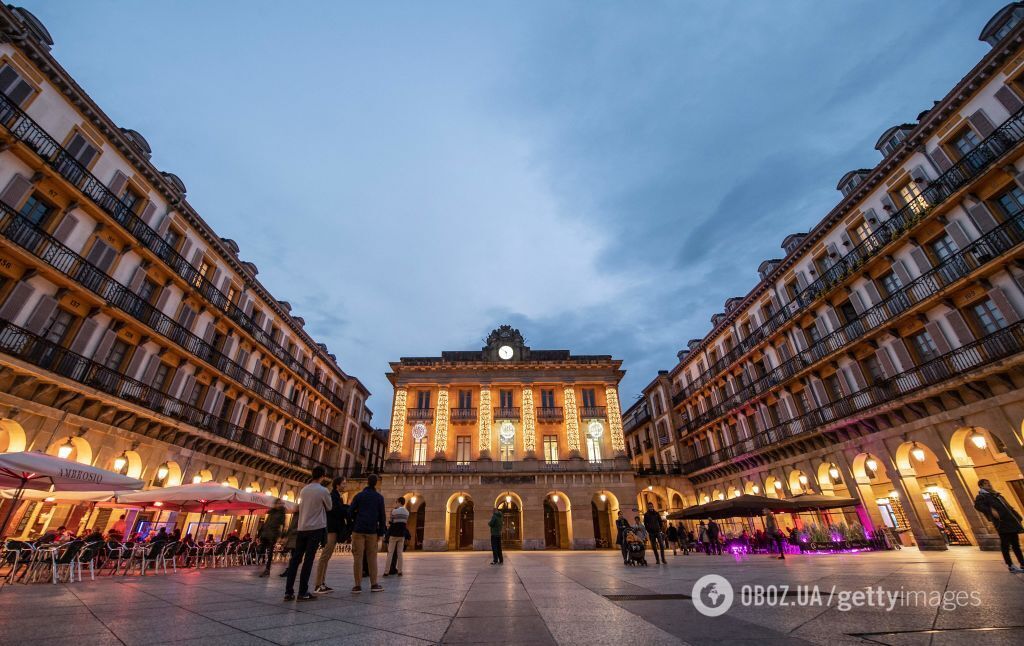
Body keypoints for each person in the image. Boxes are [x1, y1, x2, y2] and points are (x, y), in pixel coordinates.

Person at [284, 466, 333, 602]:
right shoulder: (323, 490)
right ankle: (303, 592)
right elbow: (329, 507)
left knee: (295, 560)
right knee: (308, 561)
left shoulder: (304, 490)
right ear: (323, 476)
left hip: (302, 528)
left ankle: (288, 592)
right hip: (315, 528)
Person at [974, 479, 1024, 572]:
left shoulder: (996, 494)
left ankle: (1022, 563)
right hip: (1002, 523)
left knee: (1016, 545)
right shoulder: (982, 496)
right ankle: (1010, 565)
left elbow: (1007, 507)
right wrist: (990, 510)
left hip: (1011, 521)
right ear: (981, 486)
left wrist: (1017, 516)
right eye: (986, 484)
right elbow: (978, 506)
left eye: (989, 483)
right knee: (1005, 545)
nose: (989, 485)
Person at [349, 473, 386, 593]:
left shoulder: (359, 496)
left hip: (358, 530)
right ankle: (374, 584)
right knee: (372, 558)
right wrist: (381, 532)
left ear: (367, 482)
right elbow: (382, 517)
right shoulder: (379, 498)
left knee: (358, 558)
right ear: (376, 483)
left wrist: (355, 521)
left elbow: (350, 512)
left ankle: (357, 585)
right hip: (372, 531)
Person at [314, 477, 347, 593]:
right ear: (337, 485)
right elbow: (336, 510)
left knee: (326, 557)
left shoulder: (336, 495)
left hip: (333, 529)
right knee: (324, 556)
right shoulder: (333, 496)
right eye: (343, 483)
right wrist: (348, 509)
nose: (345, 485)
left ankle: (322, 582)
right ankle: (318, 584)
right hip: (331, 529)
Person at [258, 498, 286, 577]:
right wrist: (261, 532)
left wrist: (282, 536)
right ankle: (262, 562)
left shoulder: (281, 513)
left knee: (270, 552)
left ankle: (267, 569)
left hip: (273, 534)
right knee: (261, 549)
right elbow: (266, 523)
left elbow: (283, 525)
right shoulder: (272, 512)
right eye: (278, 503)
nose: (279, 504)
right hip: (266, 534)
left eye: (280, 503)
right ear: (275, 504)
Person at [384, 497, 410, 576]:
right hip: (402, 535)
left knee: (390, 553)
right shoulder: (407, 512)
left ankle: (386, 571)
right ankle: (400, 571)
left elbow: (391, 522)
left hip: (394, 534)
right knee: (400, 553)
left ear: (399, 502)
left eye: (396, 502)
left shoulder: (394, 511)